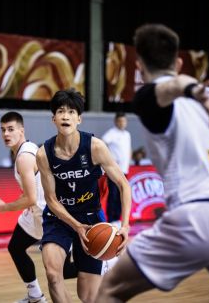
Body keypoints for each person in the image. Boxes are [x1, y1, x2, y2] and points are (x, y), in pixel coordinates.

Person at [96, 24, 209, 302]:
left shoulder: (149, 97)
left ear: (139, 65)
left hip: (198, 217)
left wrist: (191, 87)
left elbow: (171, 85)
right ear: (179, 61)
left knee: (111, 289)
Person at [36, 88, 132, 303]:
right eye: (61, 111)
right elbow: (51, 200)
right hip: (59, 218)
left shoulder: (95, 147)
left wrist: (125, 226)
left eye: (71, 112)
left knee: (88, 296)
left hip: (91, 219)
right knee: (53, 275)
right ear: (54, 119)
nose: (65, 116)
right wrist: (75, 226)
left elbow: (124, 185)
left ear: (79, 119)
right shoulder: (44, 154)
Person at [0, 111, 77, 303]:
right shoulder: (27, 147)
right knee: (16, 247)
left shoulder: (24, 157)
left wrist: (4, 207)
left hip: (48, 214)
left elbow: (30, 198)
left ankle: (104, 264)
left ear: (22, 130)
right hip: (37, 212)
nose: (6, 134)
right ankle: (35, 296)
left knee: (63, 270)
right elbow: (34, 189)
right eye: (3, 130)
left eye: (11, 129)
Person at [101, 112, 131, 227]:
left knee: (121, 194)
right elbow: (102, 144)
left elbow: (128, 149)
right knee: (113, 194)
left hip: (125, 169)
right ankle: (111, 219)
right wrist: (109, 159)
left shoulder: (127, 134)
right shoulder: (111, 133)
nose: (122, 123)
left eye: (124, 121)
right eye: (120, 121)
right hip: (114, 170)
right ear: (116, 121)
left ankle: (118, 218)